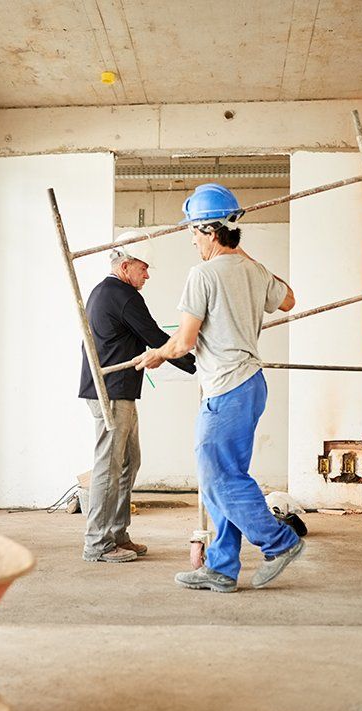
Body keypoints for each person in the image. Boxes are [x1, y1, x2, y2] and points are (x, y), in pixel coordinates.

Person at [136, 183, 302, 593]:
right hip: (251, 386)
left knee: (217, 478)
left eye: (194, 231)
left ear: (210, 230)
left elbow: (185, 342)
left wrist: (158, 354)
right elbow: (289, 301)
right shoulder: (253, 270)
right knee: (228, 476)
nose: (192, 239)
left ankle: (280, 542)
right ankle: (223, 567)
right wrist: (240, 253)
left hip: (225, 388)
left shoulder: (203, 274)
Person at [78, 232, 196, 563]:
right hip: (112, 393)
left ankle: (117, 534)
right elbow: (155, 336)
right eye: (144, 268)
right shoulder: (122, 295)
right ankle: (98, 543)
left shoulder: (106, 291)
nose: (147, 275)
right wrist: (195, 363)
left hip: (118, 390)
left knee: (129, 462)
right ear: (126, 265)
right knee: (110, 466)